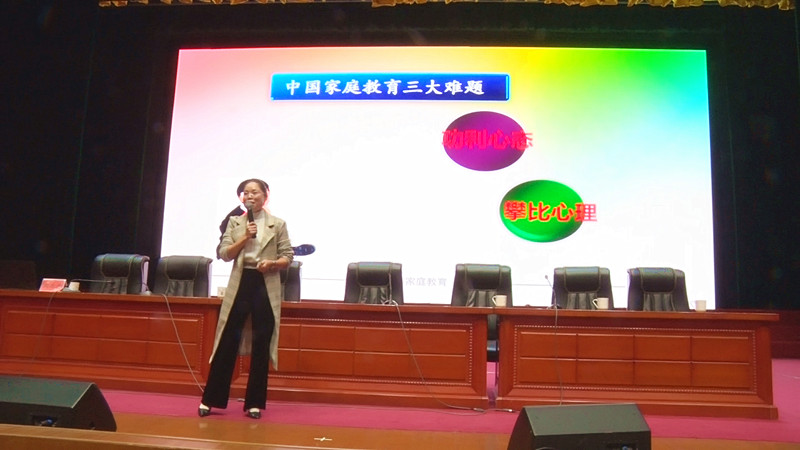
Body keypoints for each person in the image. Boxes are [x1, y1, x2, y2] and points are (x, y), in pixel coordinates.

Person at [198, 178, 294, 419]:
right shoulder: (235, 222)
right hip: (241, 282)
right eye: (246, 193)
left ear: (266, 196)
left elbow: (287, 256)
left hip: (265, 283)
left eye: (255, 192)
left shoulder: (277, 224)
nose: (250, 196)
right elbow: (224, 254)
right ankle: (210, 400)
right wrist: (244, 237)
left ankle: (254, 403)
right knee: (227, 340)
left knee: (262, 343)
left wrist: (272, 263)